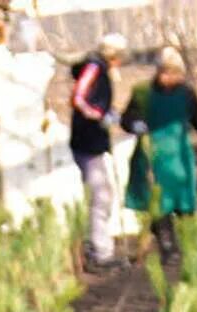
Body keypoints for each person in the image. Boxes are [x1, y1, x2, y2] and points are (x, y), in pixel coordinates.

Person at [123, 47, 197, 261]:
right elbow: (127, 119)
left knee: (185, 203)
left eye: (175, 73)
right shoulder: (143, 92)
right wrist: (135, 124)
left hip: (179, 156)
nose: (170, 77)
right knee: (160, 203)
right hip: (152, 156)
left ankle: (194, 249)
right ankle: (168, 248)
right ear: (158, 72)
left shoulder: (186, 94)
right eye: (166, 72)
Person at [68, 33, 128, 269]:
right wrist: (99, 116)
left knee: (103, 193)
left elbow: (97, 100)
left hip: (92, 141)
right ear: (114, 55)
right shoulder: (94, 68)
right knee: (101, 194)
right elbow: (79, 97)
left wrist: (111, 114)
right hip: (87, 142)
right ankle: (100, 252)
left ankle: (100, 247)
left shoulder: (101, 71)